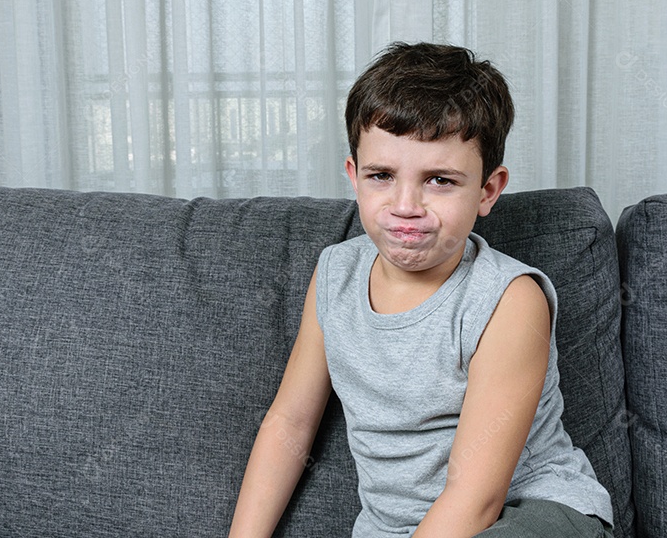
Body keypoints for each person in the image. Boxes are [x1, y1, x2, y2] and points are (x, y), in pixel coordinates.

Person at [228, 42, 614, 537]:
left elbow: (477, 498)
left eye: (439, 180)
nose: (405, 204)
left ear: (488, 191)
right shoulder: (334, 275)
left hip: (535, 514)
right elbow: (290, 423)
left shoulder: (509, 300)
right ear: (354, 176)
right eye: (382, 176)